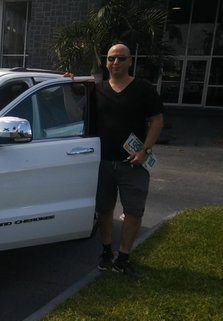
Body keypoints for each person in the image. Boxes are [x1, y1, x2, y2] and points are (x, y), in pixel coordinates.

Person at [69, 43, 164, 278]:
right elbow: (74, 115)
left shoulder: (143, 89)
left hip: (133, 163)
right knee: (104, 209)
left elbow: (157, 120)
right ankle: (105, 251)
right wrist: (69, 88)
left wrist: (145, 149)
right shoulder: (97, 89)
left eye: (121, 58)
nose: (115, 63)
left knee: (133, 211)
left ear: (130, 61)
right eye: (111, 58)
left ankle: (123, 257)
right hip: (102, 162)